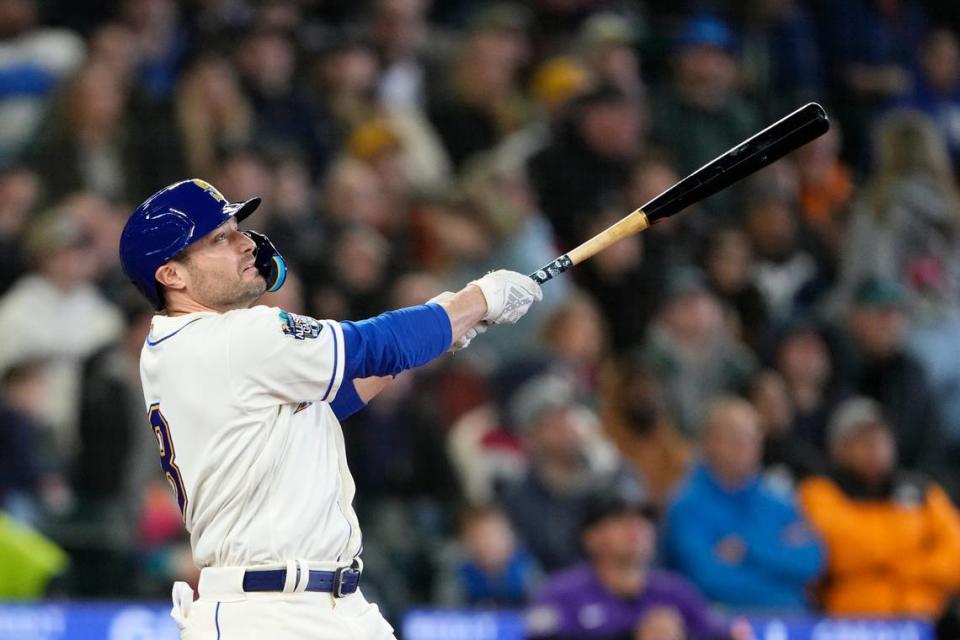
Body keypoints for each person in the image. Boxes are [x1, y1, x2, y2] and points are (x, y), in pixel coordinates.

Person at [117, 178, 542, 638]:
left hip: (323, 603)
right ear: (172, 275)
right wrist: (476, 300)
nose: (245, 244)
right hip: (269, 613)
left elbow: (322, 405)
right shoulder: (232, 338)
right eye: (220, 238)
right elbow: (371, 346)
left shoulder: (181, 347)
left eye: (238, 229)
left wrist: (442, 327)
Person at [799, 397, 960, 617]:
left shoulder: (922, 489)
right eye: (864, 441)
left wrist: (910, 568)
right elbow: (840, 550)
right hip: (853, 621)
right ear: (838, 448)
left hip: (928, 618)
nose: (875, 448)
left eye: (882, 439)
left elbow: (956, 555)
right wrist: (915, 546)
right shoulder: (819, 490)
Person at [663, 397, 824, 610]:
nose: (747, 447)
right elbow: (708, 579)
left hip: (789, 620)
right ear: (710, 442)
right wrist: (784, 583)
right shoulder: (686, 505)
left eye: (754, 439)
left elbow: (812, 560)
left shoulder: (777, 499)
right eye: (736, 438)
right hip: (718, 622)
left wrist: (748, 550)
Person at [527, 491, 728, 640]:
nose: (636, 527)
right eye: (621, 520)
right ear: (590, 536)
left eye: (644, 519)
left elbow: (721, 634)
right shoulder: (561, 594)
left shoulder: (676, 592)